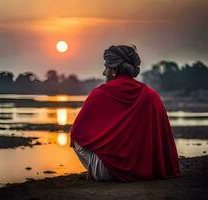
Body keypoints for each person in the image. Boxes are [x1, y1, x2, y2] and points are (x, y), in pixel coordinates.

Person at [70, 44, 180, 182]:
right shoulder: (151, 95)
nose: (104, 72)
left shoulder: (100, 94)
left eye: (107, 67)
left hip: (108, 173)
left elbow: (78, 132)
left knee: (75, 138)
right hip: (147, 170)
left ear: (114, 70)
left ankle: (94, 170)